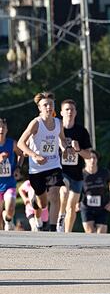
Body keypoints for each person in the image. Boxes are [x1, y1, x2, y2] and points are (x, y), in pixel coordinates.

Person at [18, 92, 74, 231]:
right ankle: (35, 204)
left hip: (54, 164)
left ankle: (53, 229)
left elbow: (61, 139)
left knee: (55, 195)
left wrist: (66, 148)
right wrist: (34, 155)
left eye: (51, 104)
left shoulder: (58, 123)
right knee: (42, 203)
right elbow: (20, 143)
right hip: (36, 169)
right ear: (40, 108)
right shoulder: (36, 124)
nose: (49, 107)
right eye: (45, 105)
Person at [56, 99, 94, 233]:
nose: (70, 112)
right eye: (67, 109)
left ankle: (67, 233)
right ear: (61, 112)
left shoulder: (81, 131)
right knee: (64, 192)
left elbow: (89, 155)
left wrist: (78, 150)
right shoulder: (56, 129)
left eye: (72, 109)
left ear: (76, 112)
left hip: (77, 173)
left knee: (72, 206)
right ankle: (60, 216)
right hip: (61, 171)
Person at [80, 150, 110, 234]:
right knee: (90, 232)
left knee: (101, 233)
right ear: (85, 160)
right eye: (89, 158)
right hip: (86, 207)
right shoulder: (81, 174)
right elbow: (75, 188)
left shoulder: (104, 173)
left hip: (102, 206)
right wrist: (75, 202)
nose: (92, 160)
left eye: (94, 158)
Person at [0, 118, 22, 231]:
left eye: (3, 127)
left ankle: (8, 219)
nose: (1, 129)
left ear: (7, 129)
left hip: (9, 183)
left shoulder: (12, 143)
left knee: (10, 207)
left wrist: (18, 167)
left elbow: (21, 154)